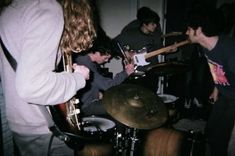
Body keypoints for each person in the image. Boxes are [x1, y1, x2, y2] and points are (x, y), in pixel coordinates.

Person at [0, 0, 96, 156]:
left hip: (23, 123)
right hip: (43, 128)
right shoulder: (46, 7)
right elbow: (32, 86)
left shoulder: (12, 9)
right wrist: (78, 78)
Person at [185, 4, 235, 156]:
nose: (186, 32)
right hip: (225, 94)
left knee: (223, 140)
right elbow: (217, 70)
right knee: (211, 132)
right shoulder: (205, 47)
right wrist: (216, 90)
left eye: (188, 29)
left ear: (198, 30)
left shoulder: (229, 50)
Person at [73, 35, 135, 116]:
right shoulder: (86, 65)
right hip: (86, 106)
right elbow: (108, 85)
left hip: (91, 99)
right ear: (98, 53)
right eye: (106, 58)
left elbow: (93, 83)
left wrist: (97, 94)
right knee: (121, 107)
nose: (107, 61)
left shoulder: (84, 58)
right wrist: (126, 72)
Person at [114, 6, 163, 71]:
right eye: (153, 23)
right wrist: (127, 53)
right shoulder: (132, 29)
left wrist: (168, 50)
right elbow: (117, 42)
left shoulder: (156, 31)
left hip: (152, 68)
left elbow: (159, 48)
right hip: (135, 69)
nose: (155, 26)